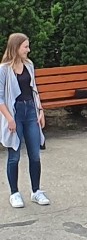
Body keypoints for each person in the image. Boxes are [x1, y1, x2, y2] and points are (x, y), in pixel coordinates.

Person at [0, 33, 49, 208]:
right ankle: (14, 193)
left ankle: (36, 191)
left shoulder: (29, 64)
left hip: (30, 111)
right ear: (15, 47)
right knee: (14, 155)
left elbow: (34, 89)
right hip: (15, 113)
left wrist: (40, 110)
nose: (28, 50)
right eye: (25, 47)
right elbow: (0, 98)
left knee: (35, 154)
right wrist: (9, 118)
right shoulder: (4, 69)